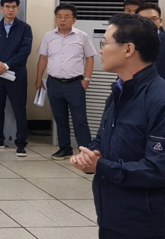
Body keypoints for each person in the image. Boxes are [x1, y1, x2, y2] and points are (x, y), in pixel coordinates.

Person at [70, 13, 165, 239]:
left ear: (128, 49)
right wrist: (89, 156)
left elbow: (157, 169)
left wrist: (102, 166)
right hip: (112, 213)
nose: (101, 51)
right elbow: (104, 139)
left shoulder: (159, 99)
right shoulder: (119, 91)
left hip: (145, 222)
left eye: (105, 43)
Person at [35, 3, 96, 160]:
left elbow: (90, 58)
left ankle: (85, 151)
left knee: (79, 120)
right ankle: (65, 148)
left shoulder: (82, 36)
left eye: (66, 17)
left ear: (74, 19)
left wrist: (87, 79)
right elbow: (43, 58)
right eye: (59, 16)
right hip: (54, 83)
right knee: (60, 118)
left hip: (75, 84)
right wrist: (38, 78)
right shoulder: (48, 36)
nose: (62, 20)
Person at [0, 0, 33, 157]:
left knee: (19, 109)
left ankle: (21, 144)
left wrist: (7, 65)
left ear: (17, 9)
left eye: (13, 7)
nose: (10, 10)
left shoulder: (25, 28)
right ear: (1, 9)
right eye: (7, 7)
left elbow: (25, 51)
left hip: (16, 75)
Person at [136, 3, 165, 79]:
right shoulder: (129, 41)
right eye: (144, 20)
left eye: (153, 19)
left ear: (160, 21)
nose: (149, 23)